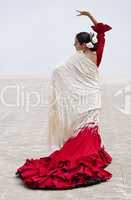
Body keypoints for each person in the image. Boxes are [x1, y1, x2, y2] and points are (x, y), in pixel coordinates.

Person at [15, 10, 113, 190]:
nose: (73, 44)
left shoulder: (81, 57)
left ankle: (86, 155)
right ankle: (90, 154)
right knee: (88, 128)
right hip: (92, 97)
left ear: (83, 44)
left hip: (88, 97)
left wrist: (55, 73)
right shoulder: (96, 53)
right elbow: (101, 33)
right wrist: (90, 16)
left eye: (76, 42)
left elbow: (60, 70)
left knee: (87, 129)